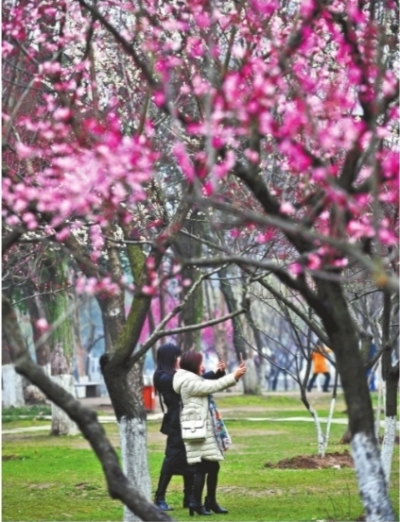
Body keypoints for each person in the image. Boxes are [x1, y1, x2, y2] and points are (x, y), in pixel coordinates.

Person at [153, 343, 226, 511]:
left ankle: (190, 498)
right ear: (170, 358)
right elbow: (194, 382)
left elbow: (198, 382)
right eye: (178, 357)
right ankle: (159, 497)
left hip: (190, 421)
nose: (180, 360)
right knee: (171, 458)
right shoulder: (163, 376)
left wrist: (217, 373)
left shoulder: (179, 375)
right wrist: (211, 373)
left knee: (192, 459)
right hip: (176, 423)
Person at [173, 351, 246, 516]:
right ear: (193, 366)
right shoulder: (187, 383)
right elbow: (211, 386)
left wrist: (218, 372)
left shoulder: (190, 379)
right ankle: (196, 503)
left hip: (204, 428)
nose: (202, 366)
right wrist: (234, 376)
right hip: (199, 430)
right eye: (200, 364)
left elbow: (206, 380)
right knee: (203, 467)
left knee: (212, 465)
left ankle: (208, 501)